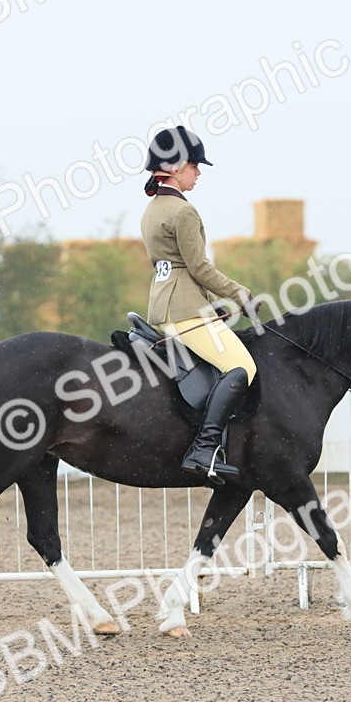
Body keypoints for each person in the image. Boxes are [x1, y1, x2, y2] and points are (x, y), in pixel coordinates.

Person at [140, 126, 257, 483]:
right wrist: (240, 295)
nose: (198, 172)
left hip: (166, 305)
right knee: (242, 366)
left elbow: (173, 268)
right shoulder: (182, 212)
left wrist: (211, 306)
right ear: (175, 166)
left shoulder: (153, 208)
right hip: (185, 310)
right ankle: (204, 448)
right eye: (193, 165)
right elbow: (199, 267)